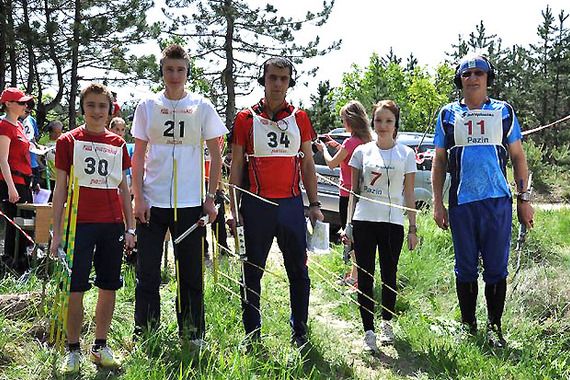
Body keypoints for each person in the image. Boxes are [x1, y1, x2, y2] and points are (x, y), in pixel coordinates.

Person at [431, 55, 534, 348]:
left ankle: (494, 327)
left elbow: (517, 156)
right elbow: (439, 161)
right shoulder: (447, 114)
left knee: (496, 268)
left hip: (497, 201)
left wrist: (523, 199)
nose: (473, 78)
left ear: (488, 78)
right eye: (467, 74)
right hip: (462, 202)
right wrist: (438, 203)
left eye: (479, 73)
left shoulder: (503, 112)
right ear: (459, 80)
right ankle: (468, 326)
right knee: (464, 267)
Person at [131, 44, 227, 346]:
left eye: (180, 70)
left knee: (190, 275)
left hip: (189, 204)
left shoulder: (202, 106)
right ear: (162, 70)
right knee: (147, 273)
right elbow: (137, 156)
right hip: (153, 202)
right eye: (169, 70)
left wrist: (211, 198)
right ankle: (146, 332)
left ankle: (193, 332)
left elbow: (216, 155)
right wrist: (138, 196)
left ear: (188, 72)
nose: (175, 76)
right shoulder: (147, 105)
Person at [229, 57, 324, 349]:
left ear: (289, 82)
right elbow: (235, 167)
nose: (278, 84)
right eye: (273, 78)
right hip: (257, 206)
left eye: (284, 79)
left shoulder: (300, 117)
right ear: (264, 80)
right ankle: (252, 333)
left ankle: (300, 330)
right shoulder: (245, 118)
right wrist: (233, 209)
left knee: (298, 270)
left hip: (291, 205)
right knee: (252, 271)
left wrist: (315, 204)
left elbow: (308, 163)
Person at [50, 83, 135, 374]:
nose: (97, 111)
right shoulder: (68, 141)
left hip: (111, 224)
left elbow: (124, 188)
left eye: (102, 106)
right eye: (91, 105)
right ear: (82, 108)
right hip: (79, 224)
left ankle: (100, 345)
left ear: (110, 110)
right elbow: (60, 189)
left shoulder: (118, 143)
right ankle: (72, 350)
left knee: (108, 286)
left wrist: (131, 227)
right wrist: (57, 231)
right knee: (76, 288)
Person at [347, 99, 418, 353]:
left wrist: (412, 228)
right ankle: (368, 332)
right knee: (365, 277)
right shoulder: (361, 152)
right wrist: (348, 227)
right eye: (378, 120)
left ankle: (387, 323)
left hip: (392, 224)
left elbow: (409, 194)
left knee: (389, 275)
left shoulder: (406, 154)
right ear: (373, 122)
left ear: (396, 123)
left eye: (388, 121)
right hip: (364, 221)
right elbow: (353, 192)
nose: (383, 125)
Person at [314, 100, 372, 288]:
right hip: (363, 194)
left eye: (343, 119)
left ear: (350, 121)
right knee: (360, 234)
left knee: (350, 234)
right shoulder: (366, 141)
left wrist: (324, 151)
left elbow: (332, 164)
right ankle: (358, 274)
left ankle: (355, 276)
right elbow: (348, 155)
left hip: (347, 194)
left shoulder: (349, 141)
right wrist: (336, 146)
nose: (342, 123)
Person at [0, 88, 34, 273]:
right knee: (15, 225)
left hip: (24, 182)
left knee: (26, 224)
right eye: (21, 102)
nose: (25, 105)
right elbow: (2, 159)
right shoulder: (4, 126)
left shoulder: (19, 125)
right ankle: (11, 266)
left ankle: (21, 263)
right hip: (11, 183)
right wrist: (11, 188)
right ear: (8, 104)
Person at [38, 120, 64, 193]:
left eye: (59, 132)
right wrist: (43, 167)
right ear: (50, 131)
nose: (57, 135)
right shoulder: (43, 141)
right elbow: (37, 158)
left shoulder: (64, 139)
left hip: (61, 177)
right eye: (55, 132)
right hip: (47, 177)